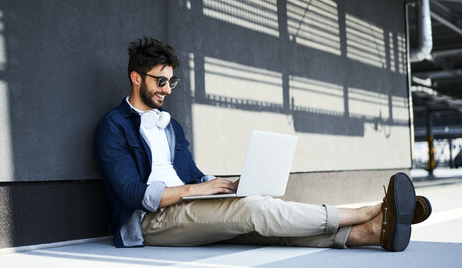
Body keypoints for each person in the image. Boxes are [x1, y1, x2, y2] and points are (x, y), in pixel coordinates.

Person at [94, 37, 432, 251]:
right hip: (149, 222)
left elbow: (192, 176)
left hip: (185, 209)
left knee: (261, 215)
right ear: (136, 78)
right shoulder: (113, 127)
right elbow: (131, 194)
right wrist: (196, 191)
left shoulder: (171, 126)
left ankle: (370, 233)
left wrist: (223, 185)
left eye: (172, 81)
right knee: (254, 212)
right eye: (161, 80)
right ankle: (369, 210)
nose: (168, 88)